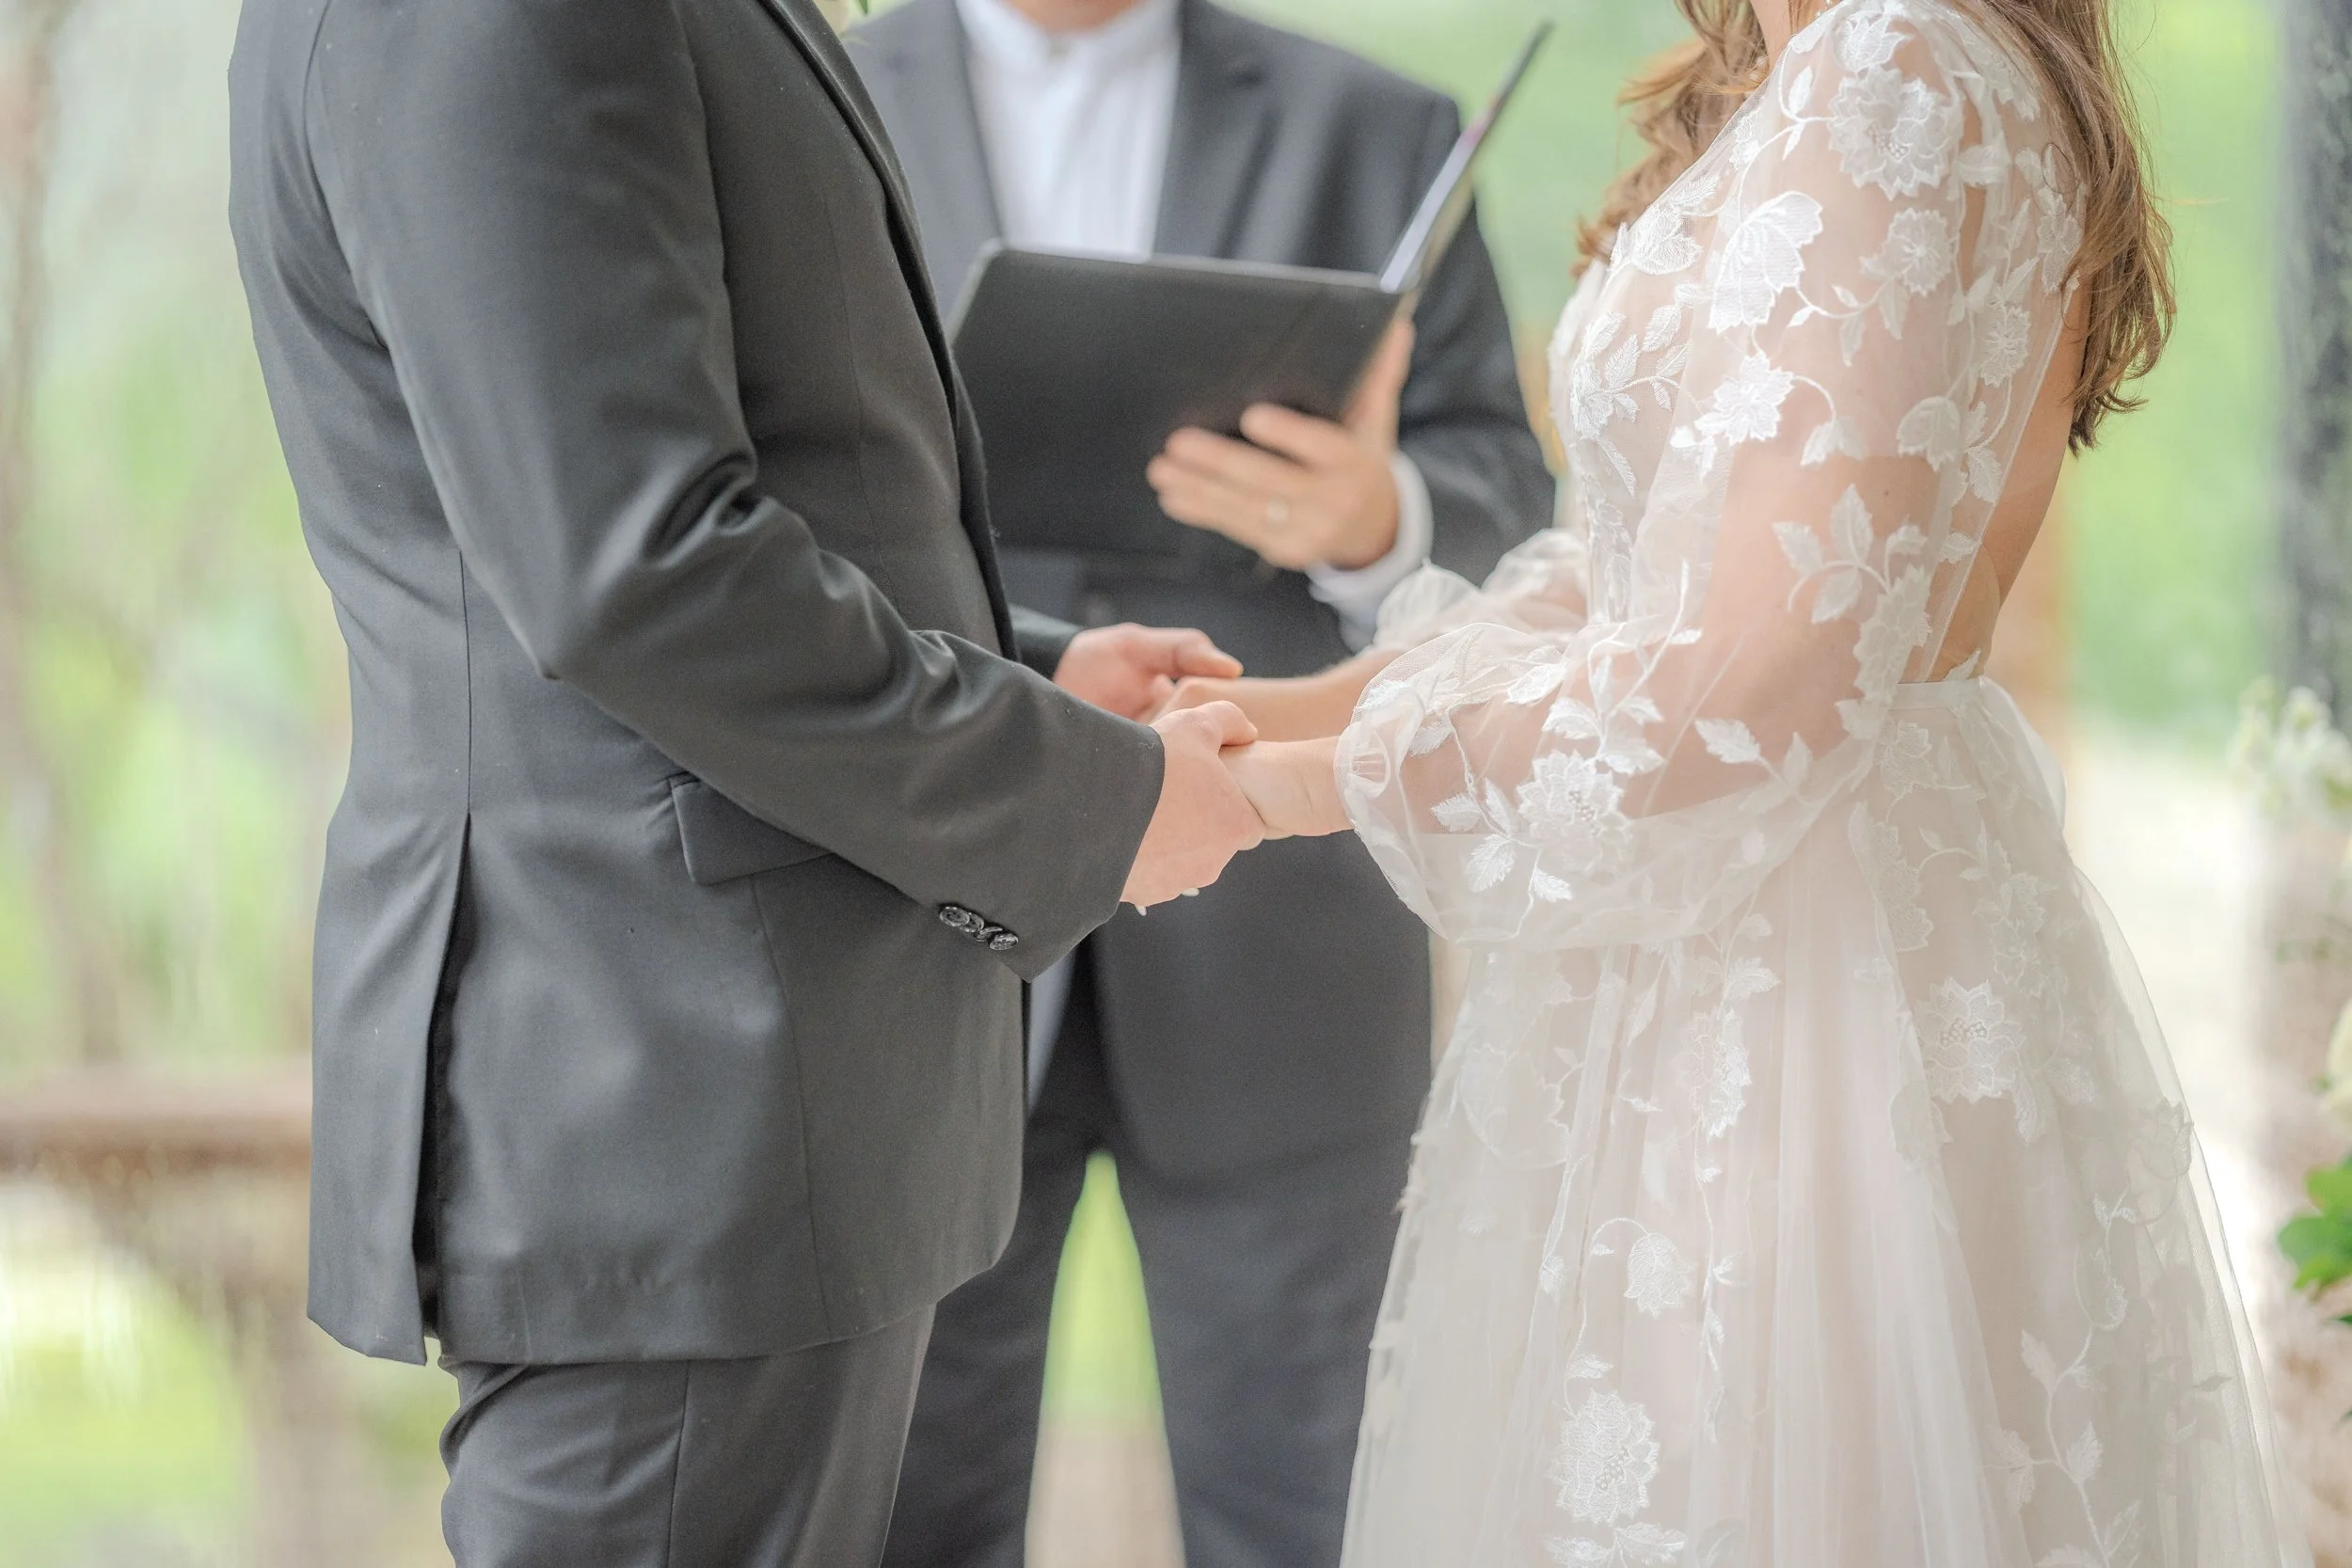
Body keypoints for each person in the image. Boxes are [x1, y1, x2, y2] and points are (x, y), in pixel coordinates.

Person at [1195, 0, 2316, 1560]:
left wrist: (1312, 787)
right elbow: (1629, 577)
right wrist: (1270, 714)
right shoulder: (1811, 66)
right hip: (1712, 925)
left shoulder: (1895, 64)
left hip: (1796, 958)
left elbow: (1770, 667)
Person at [224, 0, 1269, 1561]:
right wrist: (1088, 801)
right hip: (674, 1073)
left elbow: (747, 476)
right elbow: (635, 567)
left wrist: (1024, 673)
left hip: (732, 1082)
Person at [847, 1, 1552, 1562]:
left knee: (1315, 1506)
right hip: (916, 919)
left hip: (1283, 939)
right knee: (902, 1513)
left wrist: (1384, 518)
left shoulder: (1378, 128)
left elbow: (1514, 506)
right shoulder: (821, 96)